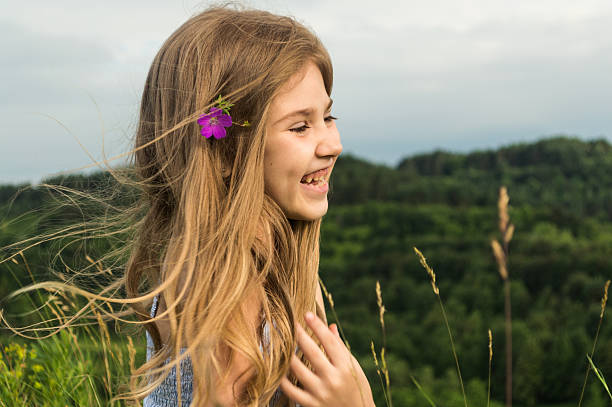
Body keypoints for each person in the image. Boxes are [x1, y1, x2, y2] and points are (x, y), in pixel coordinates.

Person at [123, 5, 376, 407]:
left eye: (328, 117)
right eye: (300, 126)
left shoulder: (268, 265)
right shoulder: (232, 284)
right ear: (225, 154)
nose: (333, 144)